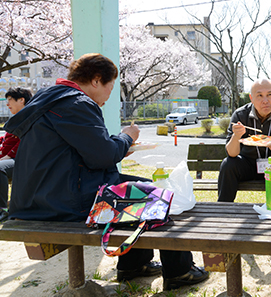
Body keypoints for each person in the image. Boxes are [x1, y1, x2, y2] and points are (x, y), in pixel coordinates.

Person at [4, 53, 208, 291]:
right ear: (96, 80)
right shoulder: (76, 103)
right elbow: (103, 155)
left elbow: (80, 150)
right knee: (159, 196)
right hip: (65, 203)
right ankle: (179, 272)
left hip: (38, 199)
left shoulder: (49, 99)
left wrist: (117, 147)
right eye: (110, 89)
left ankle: (135, 265)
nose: (109, 97)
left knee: (137, 189)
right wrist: (126, 137)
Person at [218, 79, 271, 202]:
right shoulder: (240, 115)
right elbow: (231, 153)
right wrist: (236, 136)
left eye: (269, 95)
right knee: (228, 163)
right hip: (247, 166)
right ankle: (223, 207)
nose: (265, 101)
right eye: (259, 95)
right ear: (251, 98)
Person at [0, 87, 32, 222]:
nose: (7, 104)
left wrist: (8, 156)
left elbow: (26, 140)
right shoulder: (18, 118)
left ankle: (2, 209)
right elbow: (7, 139)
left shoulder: (31, 117)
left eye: (9, 100)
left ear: (21, 100)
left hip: (21, 159)